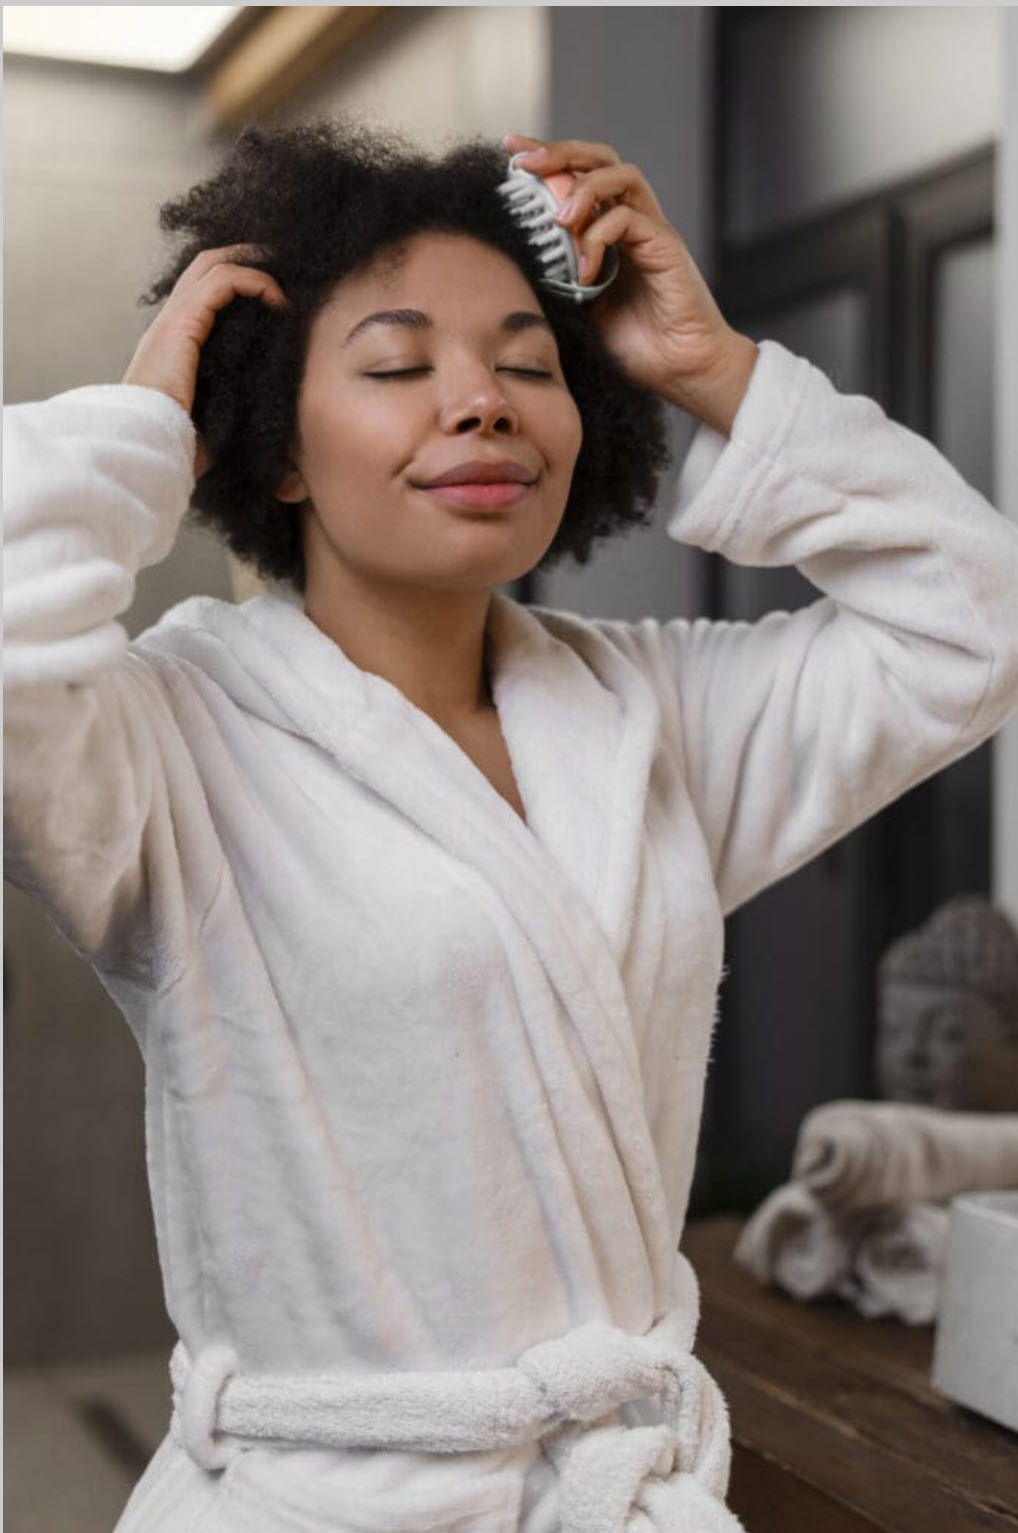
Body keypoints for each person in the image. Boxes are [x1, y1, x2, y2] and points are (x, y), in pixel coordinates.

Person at [5, 117, 1018, 1533]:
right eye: (398, 365)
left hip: (611, 1491)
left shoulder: (644, 719)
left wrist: (707, 368)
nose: (481, 401)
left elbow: (972, 620)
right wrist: (137, 430)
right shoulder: (165, 738)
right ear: (273, 451)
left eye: (531, 365)